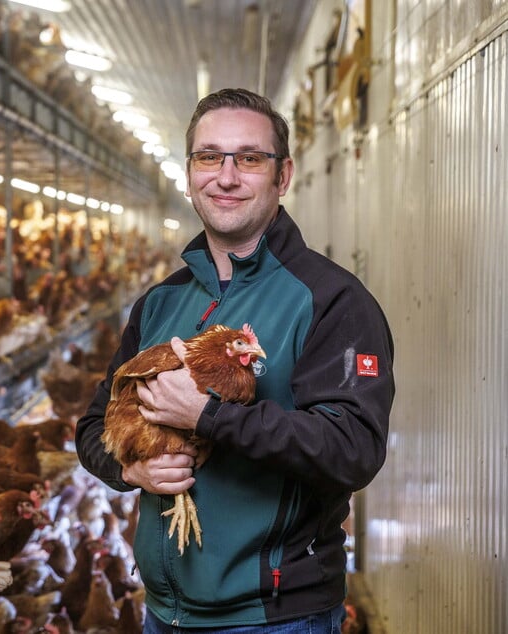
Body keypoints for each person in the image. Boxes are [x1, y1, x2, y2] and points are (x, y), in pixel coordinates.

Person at [75, 88, 394, 633]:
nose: (226, 176)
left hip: (274, 617)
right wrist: (131, 469)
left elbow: (353, 450)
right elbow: (89, 428)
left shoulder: (331, 300)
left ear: (283, 176)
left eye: (249, 158)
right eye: (209, 157)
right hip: (162, 613)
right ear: (190, 173)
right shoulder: (160, 302)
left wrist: (208, 416)